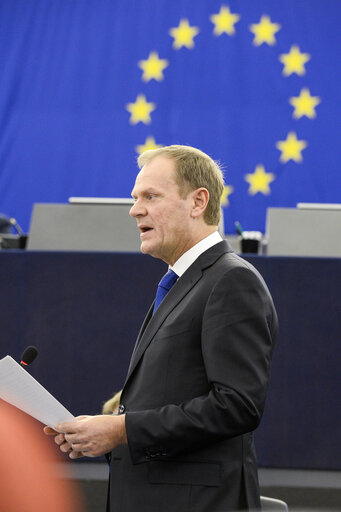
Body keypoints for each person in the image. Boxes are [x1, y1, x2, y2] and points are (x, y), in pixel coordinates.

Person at [45, 145, 278, 511]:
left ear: (198, 202)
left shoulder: (231, 281)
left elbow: (236, 406)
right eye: (135, 198)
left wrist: (122, 430)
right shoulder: (181, 284)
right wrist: (106, 431)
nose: (134, 209)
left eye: (150, 196)